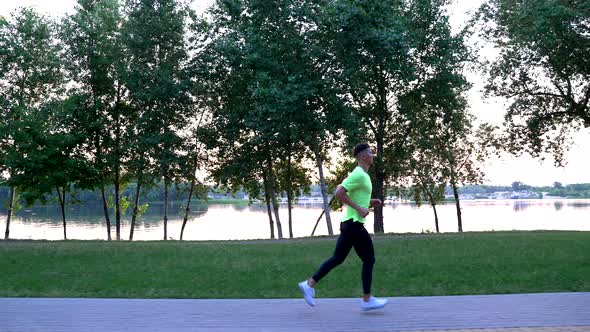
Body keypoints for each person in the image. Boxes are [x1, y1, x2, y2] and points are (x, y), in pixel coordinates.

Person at [298, 143, 388, 311]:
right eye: (370, 152)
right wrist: (360, 209)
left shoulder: (362, 175)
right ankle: (367, 300)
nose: (372, 155)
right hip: (353, 225)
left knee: (338, 258)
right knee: (369, 259)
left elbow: (352, 195)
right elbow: (339, 193)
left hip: (348, 224)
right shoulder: (359, 174)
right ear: (362, 157)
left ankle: (309, 284)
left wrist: (369, 203)